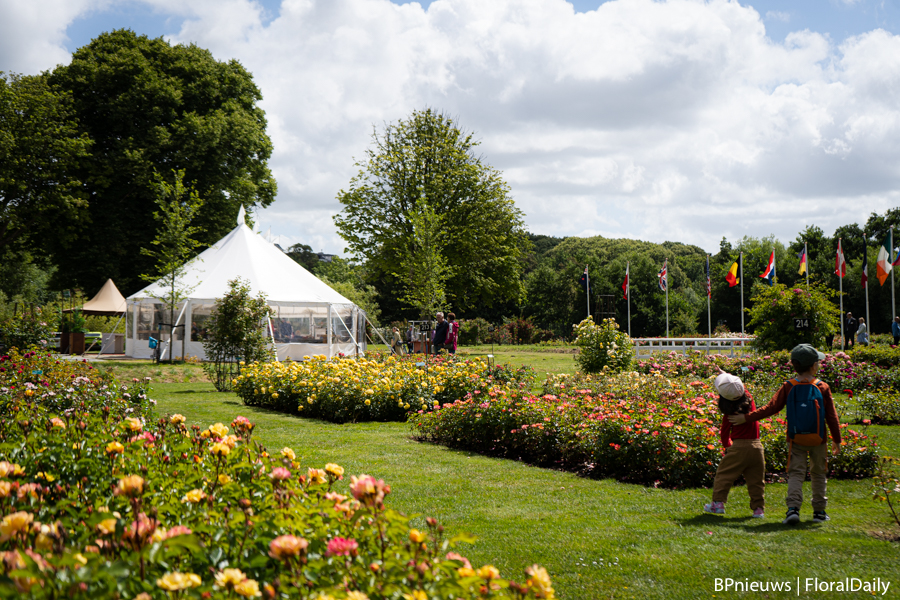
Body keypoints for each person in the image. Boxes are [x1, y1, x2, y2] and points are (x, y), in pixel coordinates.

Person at [728, 344, 841, 525]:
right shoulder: (822, 386)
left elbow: (771, 408)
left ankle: (793, 509)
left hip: (796, 439)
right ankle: (819, 512)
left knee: (796, 473)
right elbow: (831, 416)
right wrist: (837, 439)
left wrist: (746, 418)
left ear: (794, 365)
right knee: (819, 474)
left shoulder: (789, 386)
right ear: (814, 366)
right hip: (819, 439)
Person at [703, 372, 765, 518]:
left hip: (738, 447)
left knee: (724, 475)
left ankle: (718, 504)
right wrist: (728, 377)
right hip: (757, 447)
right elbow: (739, 389)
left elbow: (724, 433)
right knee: (756, 481)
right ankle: (758, 509)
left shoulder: (729, 414)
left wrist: (728, 446)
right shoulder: (750, 402)